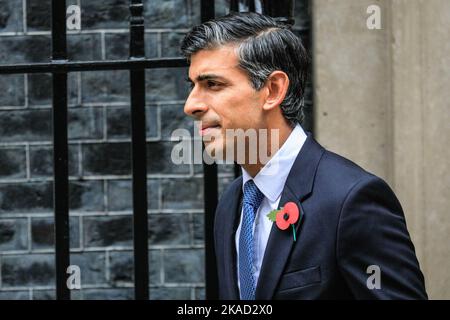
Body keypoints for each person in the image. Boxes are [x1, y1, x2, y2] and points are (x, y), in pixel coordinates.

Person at [181, 12, 427, 300]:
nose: (191, 105)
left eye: (212, 84)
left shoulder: (351, 200)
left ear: (272, 90)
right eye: (192, 86)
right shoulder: (231, 204)